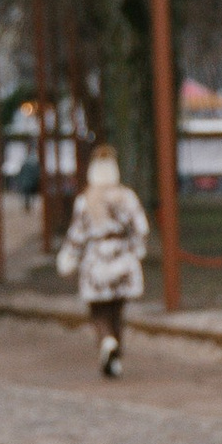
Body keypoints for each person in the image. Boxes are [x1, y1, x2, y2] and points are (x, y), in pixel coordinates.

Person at [56, 145, 149, 377]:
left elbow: (77, 236)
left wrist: (69, 259)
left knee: (98, 311)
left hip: (96, 260)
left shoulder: (85, 200)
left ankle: (106, 341)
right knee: (117, 310)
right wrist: (137, 251)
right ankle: (115, 352)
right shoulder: (127, 197)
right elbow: (141, 227)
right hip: (122, 258)